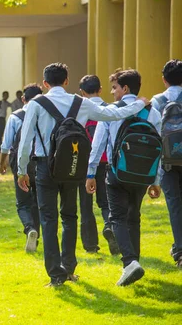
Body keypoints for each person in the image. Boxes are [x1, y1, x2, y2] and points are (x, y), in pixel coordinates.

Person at [17, 63, 150, 287]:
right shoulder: (81, 103)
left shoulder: (36, 104)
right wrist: (138, 105)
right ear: (67, 81)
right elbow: (113, 114)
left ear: (45, 84)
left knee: (49, 220)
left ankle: (55, 275)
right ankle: (69, 268)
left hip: (44, 167)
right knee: (70, 217)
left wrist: (22, 171)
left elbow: (25, 140)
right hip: (72, 166)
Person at [87, 69, 161, 286]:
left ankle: (129, 262)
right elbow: (159, 150)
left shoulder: (111, 111)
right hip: (142, 176)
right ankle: (133, 262)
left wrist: (91, 173)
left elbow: (98, 144)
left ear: (125, 88)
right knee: (133, 217)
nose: (112, 92)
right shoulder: (152, 113)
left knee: (117, 218)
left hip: (117, 173)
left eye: (115, 87)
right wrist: (155, 181)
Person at [0, 84, 42, 253]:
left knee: (23, 202)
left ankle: (29, 228)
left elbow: (6, 143)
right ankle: (36, 236)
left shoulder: (16, 117)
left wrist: (2, 162)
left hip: (19, 162)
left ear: (23, 99)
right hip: (40, 162)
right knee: (38, 201)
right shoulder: (45, 115)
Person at [78, 75, 118, 255]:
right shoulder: (110, 110)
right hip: (106, 161)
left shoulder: (79, 111)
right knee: (106, 201)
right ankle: (110, 226)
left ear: (82, 92)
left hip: (83, 162)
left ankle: (90, 245)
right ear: (100, 89)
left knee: (86, 205)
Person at [151, 59, 182, 268]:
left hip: (168, 161)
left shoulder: (158, 101)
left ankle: (180, 250)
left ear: (163, 80)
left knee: (174, 205)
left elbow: (153, 133)